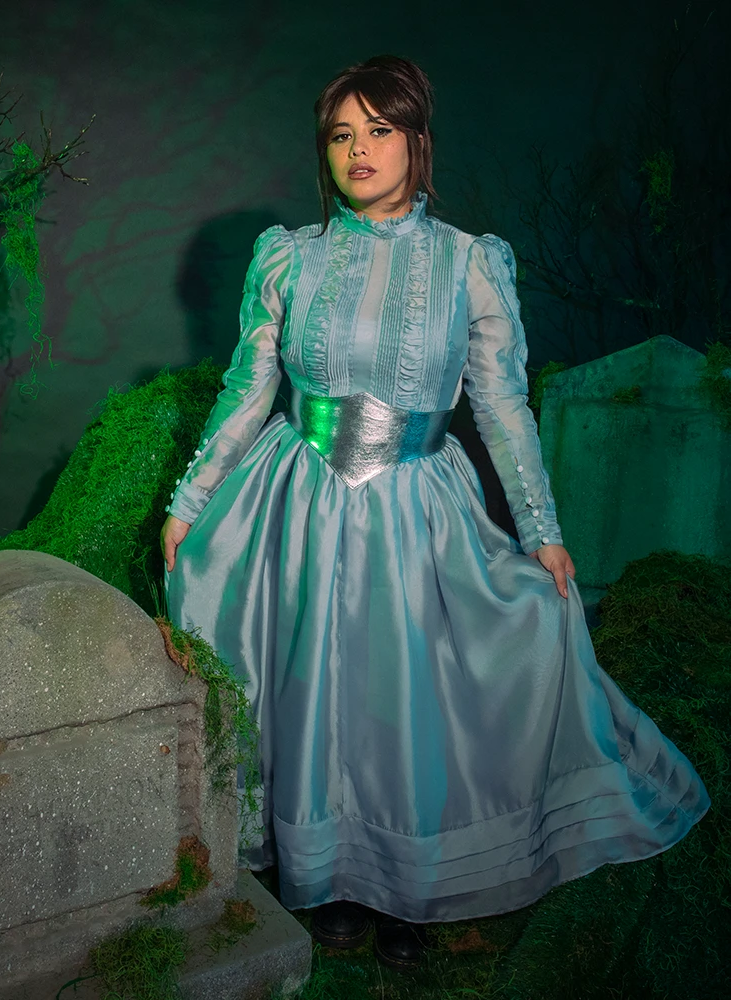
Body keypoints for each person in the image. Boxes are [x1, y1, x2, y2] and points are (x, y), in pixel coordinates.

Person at [160, 55, 711, 972]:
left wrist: (541, 531)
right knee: (313, 691)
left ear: (418, 140)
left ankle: (407, 887)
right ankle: (331, 879)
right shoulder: (288, 256)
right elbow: (247, 389)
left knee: (406, 696)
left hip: (416, 505)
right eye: (342, 134)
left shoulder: (469, 263)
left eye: (379, 130)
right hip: (297, 499)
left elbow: (502, 406)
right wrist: (191, 500)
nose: (358, 151)